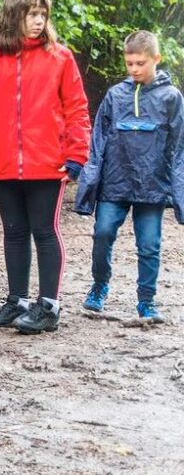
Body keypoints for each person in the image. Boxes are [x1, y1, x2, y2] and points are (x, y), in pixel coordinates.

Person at [0, 0, 90, 334]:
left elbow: (77, 109)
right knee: (14, 233)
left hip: (48, 164)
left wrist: (77, 154)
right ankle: (17, 300)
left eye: (42, 15)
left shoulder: (60, 58)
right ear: (13, 16)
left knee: (44, 232)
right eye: (31, 14)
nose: (38, 21)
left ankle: (48, 306)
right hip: (2, 165)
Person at [74, 31, 183, 323]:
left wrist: (177, 190)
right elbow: (97, 140)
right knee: (103, 233)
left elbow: (179, 146)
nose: (134, 69)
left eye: (140, 63)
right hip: (115, 180)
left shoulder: (171, 98)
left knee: (149, 245)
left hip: (152, 185)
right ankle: (99, 285)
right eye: (129, 63)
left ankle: (146, 301)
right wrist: (91, 180)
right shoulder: (115, 95)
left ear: (156, 60)